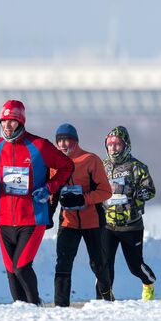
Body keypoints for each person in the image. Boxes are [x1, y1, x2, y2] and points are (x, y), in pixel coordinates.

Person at [0, 99, 74, 306]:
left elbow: (66, 166)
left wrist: (48, 188)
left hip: (32, 218)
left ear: (20, 122)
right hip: (4, 219)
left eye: (11, 121)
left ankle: (34, 305)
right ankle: (21, 311)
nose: (6, 126)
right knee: (11, 270)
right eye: (3, 121)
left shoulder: (39, 145)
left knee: (21, 265)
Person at [49, 123, 114, 307]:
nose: (62, 144)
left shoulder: (90, 160)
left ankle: (107, 299)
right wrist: (47, 215)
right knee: (63, 263)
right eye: (59, 140)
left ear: (75, 141)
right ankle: (61, 306)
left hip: (92, 221)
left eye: (66, 140)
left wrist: (83, 199)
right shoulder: (54, 164)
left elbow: (106, 191)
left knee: (98, 264)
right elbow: (52, 194)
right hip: (68, 222)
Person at [99, 125, 157, 301]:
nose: (113, 148)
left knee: (134, 266)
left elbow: (150, 190)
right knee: (105, 266)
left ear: (125, 145)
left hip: (131, 226)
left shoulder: (137, 167)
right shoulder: (102, 166)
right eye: (110, 144)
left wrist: (134, 193)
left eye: (117, 144)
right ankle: (104, 299)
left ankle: (148, 283)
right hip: (107, 225)